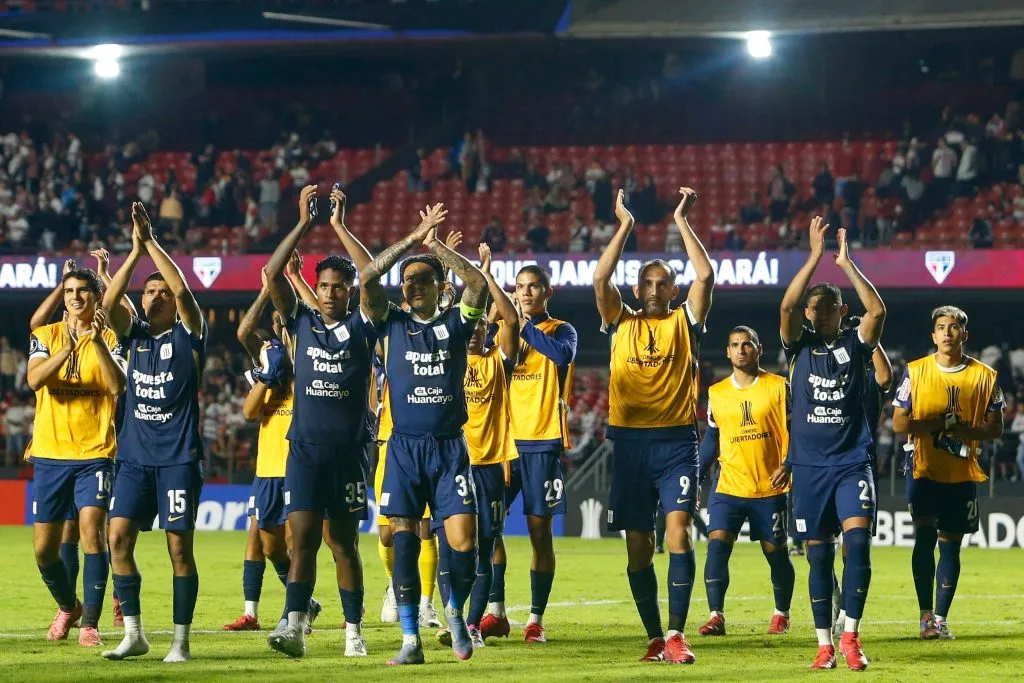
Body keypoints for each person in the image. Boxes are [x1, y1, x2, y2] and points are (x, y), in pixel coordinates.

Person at [360, 202, 488, 665]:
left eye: (421, 280)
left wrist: (436, 249)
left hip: (450, 449)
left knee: (464, 541)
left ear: (439, 288)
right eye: (407, 281)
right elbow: (368, 279)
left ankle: (455, 610)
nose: (410, 286)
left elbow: (477, 283)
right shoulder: (390, 324)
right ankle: (410, 640)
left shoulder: (456, 324)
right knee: (403, 542)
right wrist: (412, 240)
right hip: (403, 451)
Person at [592, 188, 714, 664]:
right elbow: (601, 277)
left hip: (676, 442)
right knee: (638, 545)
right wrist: (624, 225)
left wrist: (682, 220)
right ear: (639, 289)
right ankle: (653, 636)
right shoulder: (620, 322)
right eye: (649, 282)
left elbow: (705, 273)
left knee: (678, 532)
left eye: (665, 282)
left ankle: (677, 632)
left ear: (673, 291)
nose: (657, 289)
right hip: (628, 445)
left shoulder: (686, 322)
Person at [260, 186, 377, 659]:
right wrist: (303, 223)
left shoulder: (366, 325)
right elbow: (271, 274)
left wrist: (338, 226)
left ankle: (354, 633)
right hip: (304, 450)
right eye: (324, 286)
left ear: (350, 292)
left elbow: (372, 272)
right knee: (301, 539)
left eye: (338, 287)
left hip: (348, 453)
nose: (330, 293)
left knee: (342, 544)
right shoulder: (302, 322)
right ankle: (294, 625)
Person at [776, 216, 886, 671]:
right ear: (807, 314)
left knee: (857, 545)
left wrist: (846, 264)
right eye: (815, 307)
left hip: (850, 463)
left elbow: (877, 312)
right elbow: (784, 308)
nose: (821, 312)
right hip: (809, 469)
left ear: (842, 311)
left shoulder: (856, 345)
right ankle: (823, 645)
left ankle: (851, 636)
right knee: (817, 559)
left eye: (831, 306)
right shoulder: (797, 346)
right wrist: (813, 257)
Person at [100, 202, 207, 663]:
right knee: (117, 537)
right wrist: (135, 249)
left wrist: (153, 244)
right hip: (134, 459)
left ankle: (180, 642)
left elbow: (184, 293)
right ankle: (135, 633)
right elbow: (107, 305)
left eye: (161, 291)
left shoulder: (189, 334)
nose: (156, 297)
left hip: (178, 459)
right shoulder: (134, 335)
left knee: (178, 550)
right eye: (150, 292)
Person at [481, 249, 578, 645]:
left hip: (542, 444)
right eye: (519, 287)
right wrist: (493, 303)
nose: (525, 292)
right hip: (502, 444)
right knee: (488, 529)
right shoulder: (505, 331)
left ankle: (535, 618)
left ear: (547, 291)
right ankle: (495, 611)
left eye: (532, 286)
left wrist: (521, 326)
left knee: (540, 534)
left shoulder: (560, 330)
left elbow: (562, 356)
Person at [26, 265, 127, 647]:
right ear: (63, 296)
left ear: (95, 296)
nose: (75, 297)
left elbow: (117, 384)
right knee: (44, 550)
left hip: (94, 454)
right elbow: (35, 380)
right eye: (69, 291)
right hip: (51, 455)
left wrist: (95, 342)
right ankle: (69, 606)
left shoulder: (112, 337)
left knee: (92, 536)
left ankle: (91, 624)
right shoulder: (45, 335)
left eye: (83, 290)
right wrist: (67, 348)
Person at [892, 306, 1003, 640]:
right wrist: (939, 424)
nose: (947, 332)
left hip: (962, 470)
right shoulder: (915, 372)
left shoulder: (986, 376)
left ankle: (941, 618)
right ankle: (925, 616)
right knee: (925, 539)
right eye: (941, 327)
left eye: (953, 327)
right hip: (923, 468)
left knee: (951, 546)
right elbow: (899, 422)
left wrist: (965, 432)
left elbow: (995, 427)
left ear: (964, 335)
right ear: (933, 335)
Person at [223, 264, 321, 634]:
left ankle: (291, 616)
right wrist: (266, 290)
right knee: (269, 547)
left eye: (287, 323)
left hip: (301, 466)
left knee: (298, 545)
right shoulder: (270, 365)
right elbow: (244, 332)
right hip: (267, 470)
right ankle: (306, 604)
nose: (282, 329)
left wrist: (292, 283)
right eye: (278, 324)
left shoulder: (315, 365)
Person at [696, 326, 795, 637]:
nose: (741, 350)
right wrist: (696, 473)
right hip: (729, 485)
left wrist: (790, 464)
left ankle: (781, 612)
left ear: (758, 348)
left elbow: (799, 432)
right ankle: (716, 615)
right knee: (717, 546)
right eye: (735, 345)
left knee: (775, 552)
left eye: (747, 344)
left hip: (770, 486)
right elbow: (712, 438)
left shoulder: (780, 387)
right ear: (728, 352)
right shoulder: (716, 393)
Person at [460, 243, 520, 648]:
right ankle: (449, 614)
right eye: (474, 326)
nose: (479, 331)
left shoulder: (497, 362)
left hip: (489, 466)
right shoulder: (446, 358)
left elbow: (511, 320)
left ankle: (472, 626)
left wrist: (486, 274)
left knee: (484, 547)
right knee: (454, 545)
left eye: (485, 327)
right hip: (453, 466)